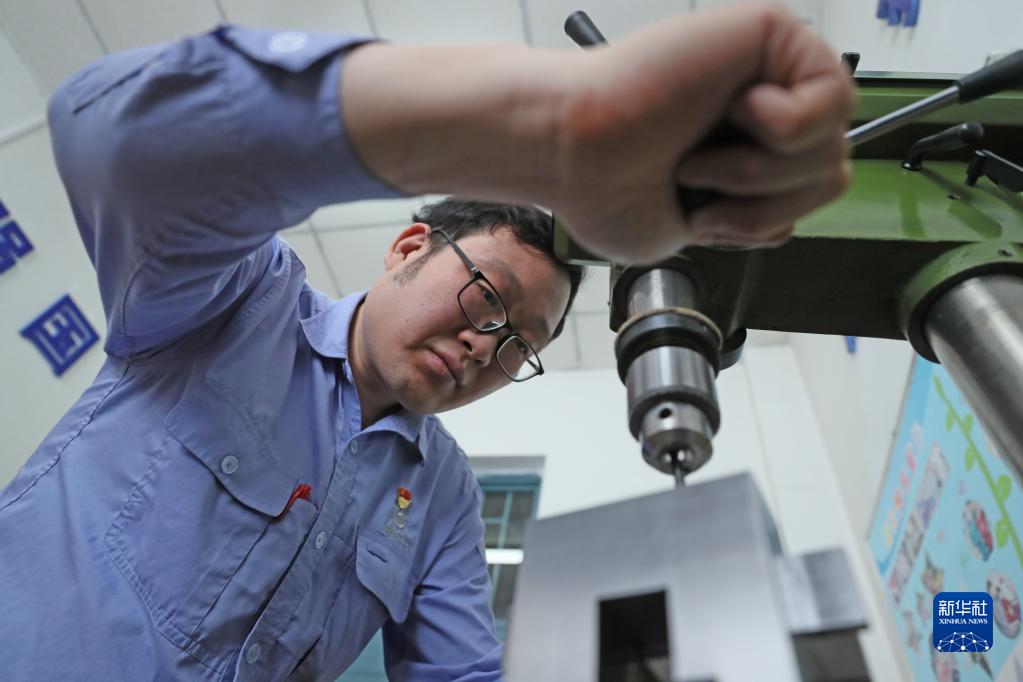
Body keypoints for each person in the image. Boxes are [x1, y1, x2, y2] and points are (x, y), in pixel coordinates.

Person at [0, 2, 855, 680]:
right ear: (410, 247)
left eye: (520, 346)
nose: (488, 348)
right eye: (489, 297)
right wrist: (545, 123)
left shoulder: (440, 495)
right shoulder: (238, 307)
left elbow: (459, 673)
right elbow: (114, 137)